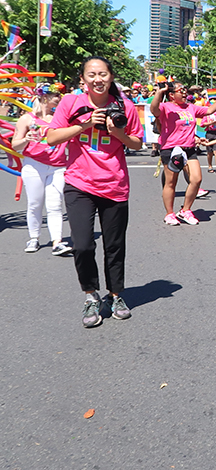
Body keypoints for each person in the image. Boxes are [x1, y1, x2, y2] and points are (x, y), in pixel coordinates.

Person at [46, 56, 144, 328]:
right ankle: (91, 294)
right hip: (79, 183)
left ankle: (116, 295)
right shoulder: (71, 103)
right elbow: (52, 137)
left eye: (103, 74)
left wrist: (118, 133)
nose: (97, 79)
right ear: (83, 79)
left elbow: (137, 144)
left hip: (114, 184)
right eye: (92, 74)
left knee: (114, 246)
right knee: (82, 245)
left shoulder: (125, 106)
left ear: (111, 77)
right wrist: (86, 124)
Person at [151, 80, 216, 225]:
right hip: (171, 149)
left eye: (185, 89)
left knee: (196, 179)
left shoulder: (191, 107)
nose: (184, 92)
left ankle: (185, 210)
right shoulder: (166, 107)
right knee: (171, 183)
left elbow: (209, 111)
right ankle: (169, 213)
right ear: (171, 95)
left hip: (189, 148)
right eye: (181, 90)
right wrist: (159, 92)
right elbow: (154, 110)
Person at [10, 83, 72, 255]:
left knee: (55, 204)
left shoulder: (60, 118)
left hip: (58, 166)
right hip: (34, 165)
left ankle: (57, 241)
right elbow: (15, 144)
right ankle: (34, 238)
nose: (59, 98)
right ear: (45, 97)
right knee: (34, 203)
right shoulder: (27, 119)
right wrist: (27, 138)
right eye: (56, 95)